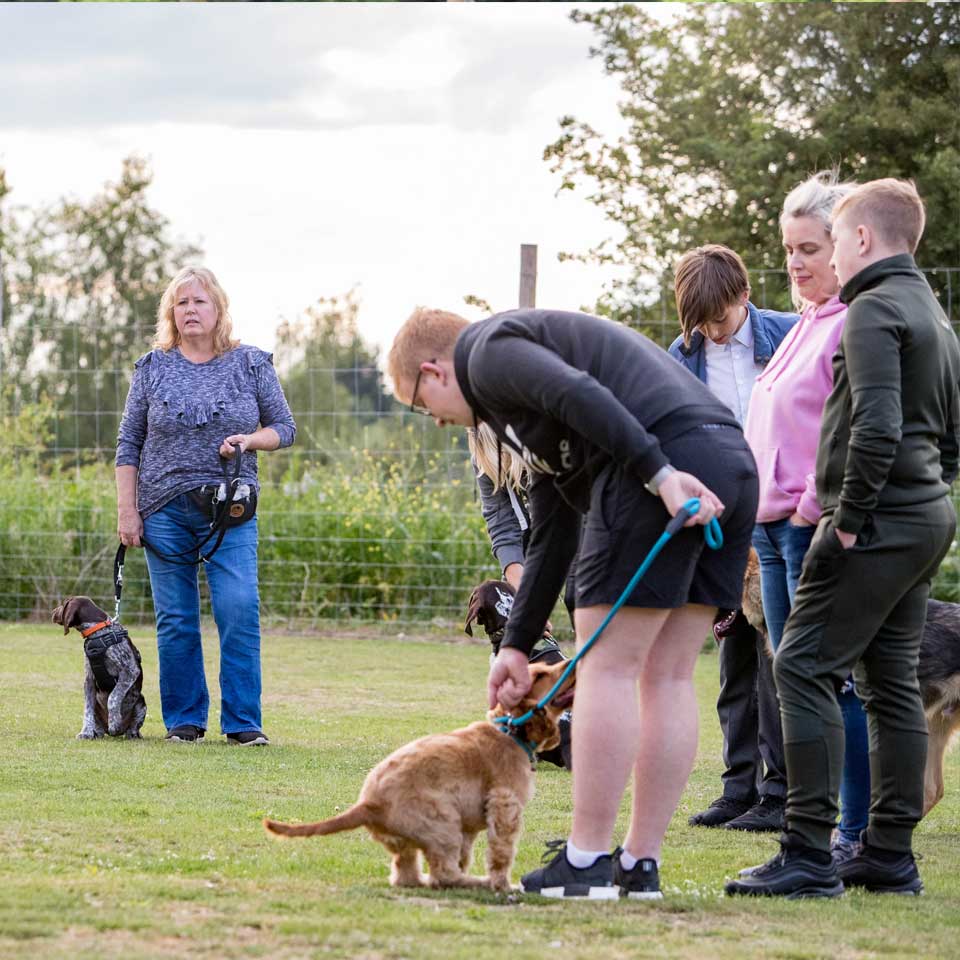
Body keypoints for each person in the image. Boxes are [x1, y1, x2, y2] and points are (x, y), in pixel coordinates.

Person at [389, 306, 758, 899]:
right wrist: (515, 646)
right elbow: (552, 534)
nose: (433, 419)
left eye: (419, 403)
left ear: (433, 371)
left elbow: (578, 392)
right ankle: (639, 865)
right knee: (667, 675)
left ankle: (586, 861)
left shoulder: (486, 352)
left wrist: (661, 476)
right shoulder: (524, 418)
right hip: (728, 461)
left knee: (609, 667)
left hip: (661, 467)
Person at [728, 179, 959, 899]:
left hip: (870, 524)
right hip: (923, 516)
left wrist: (846, 522)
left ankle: (806, 851)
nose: (824, 259)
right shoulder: (931, 311)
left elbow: (877, 427)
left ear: (858, 237)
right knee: (889, 683)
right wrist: (926, 492)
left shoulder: (872, 309)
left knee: (801, 666)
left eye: (828, 244)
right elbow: (951, 439)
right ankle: (887, 856)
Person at [743, 171, 872, 862]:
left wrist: (811, 510)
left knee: (830, 681)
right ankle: (808, 828)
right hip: (768, 531)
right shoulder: (803, 323)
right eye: (789, 250)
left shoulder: (849, 322)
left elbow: (848, 427)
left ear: (843, 245)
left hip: (804, 530)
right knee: (793, 683)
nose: (795, 263)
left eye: (810, 249)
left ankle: (851, 831)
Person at [116, 266, 296, 746]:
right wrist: (127, 510)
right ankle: (184, 721)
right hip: (162, 508)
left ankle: (243, 723)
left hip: (229, 508)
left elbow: (285, 428)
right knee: (176, 619)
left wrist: (249, 441)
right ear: (171, 313)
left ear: (218, 308)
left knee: (238, 609)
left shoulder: (251, 363)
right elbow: (128, 443)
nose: (190, 310)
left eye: (199, 301)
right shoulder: (151, 368)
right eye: (182, 303)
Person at [668, 244, 798, 832]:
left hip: (782, 515)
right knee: (732, 656)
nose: (711, 333)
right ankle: (736, 787)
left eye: (718, 319)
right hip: (724, 522)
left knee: (776, 655)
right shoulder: (683, 356)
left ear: (744, 295)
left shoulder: (790, 336)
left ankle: (779, 791)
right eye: (699, 323)